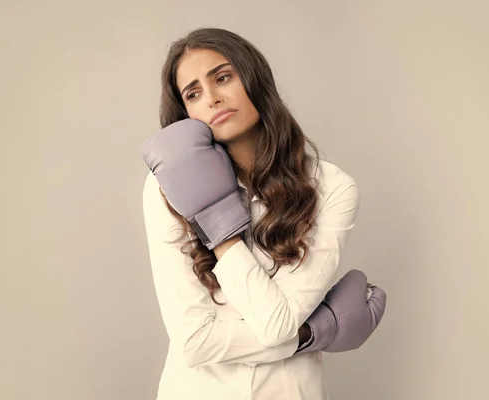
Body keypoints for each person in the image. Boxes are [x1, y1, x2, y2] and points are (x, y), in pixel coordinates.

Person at [140, 27, 387, 400]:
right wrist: (310, 334)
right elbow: (194, 340)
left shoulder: (333, 188)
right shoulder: (165, 187)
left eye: (223, 77)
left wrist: (218, 232)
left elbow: (276, 325)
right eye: (194, 93)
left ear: (254, 77)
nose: (212, 99)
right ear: (185, 112)